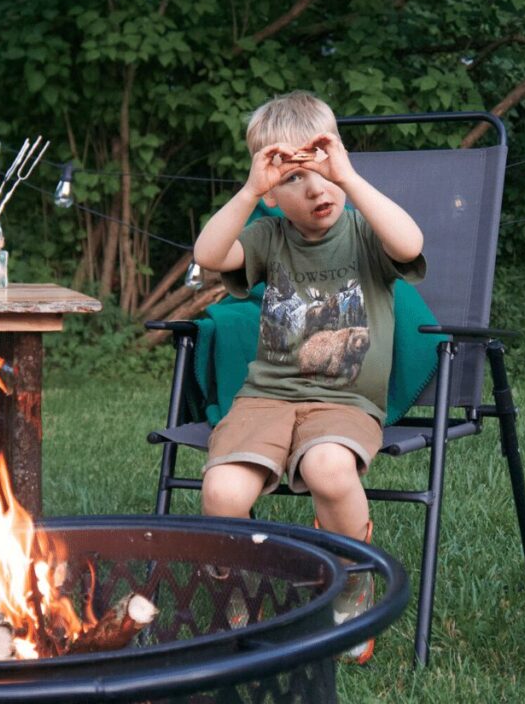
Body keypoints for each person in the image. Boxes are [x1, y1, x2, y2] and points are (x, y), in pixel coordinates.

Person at [193, 91, 425, 663]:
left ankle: (351, 580)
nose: (316, 189)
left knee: (328, 468)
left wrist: (346, 172)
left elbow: (411, 244)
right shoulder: (269, 238)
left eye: (322, 173)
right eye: (294, 180)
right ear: (273, 193)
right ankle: (241, 594)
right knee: (221, 491)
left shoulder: (367, 232)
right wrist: (249, 190)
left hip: (344, 401)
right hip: (266, 399)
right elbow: (206, 253)